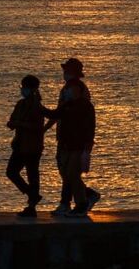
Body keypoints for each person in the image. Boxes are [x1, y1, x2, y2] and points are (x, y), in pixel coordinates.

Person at [43, 57, 100, 217]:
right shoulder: (67, 93)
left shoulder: (82, 100)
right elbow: (57, 113)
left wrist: (88, 143)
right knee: (65, 172)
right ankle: (72, 200)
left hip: (77, 140)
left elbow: (87, 124)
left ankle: (78, 202)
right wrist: (45, 129)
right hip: (64, 138)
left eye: (67, 70)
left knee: (71, 173)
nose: (64, 73)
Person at [6, 75, 44, 217]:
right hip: (20, 145)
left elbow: (37, 126)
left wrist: (20, 124)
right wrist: (13, 123)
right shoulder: (21, 104)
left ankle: (32, 206)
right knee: (11, 172)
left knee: (32, 175)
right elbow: (12, 120)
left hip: (33, 147)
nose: (22, 90)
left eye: (24, 87)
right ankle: (32, 194)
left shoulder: (37, 106)